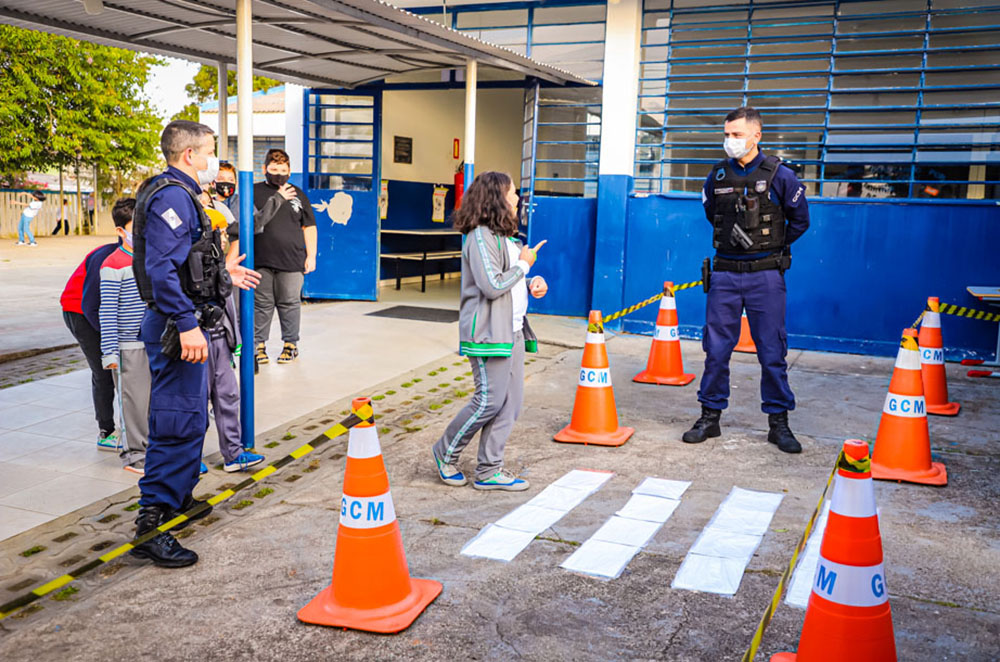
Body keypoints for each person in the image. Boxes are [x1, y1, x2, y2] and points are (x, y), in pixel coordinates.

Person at [129, 120, 260, 567]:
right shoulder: (171, 196)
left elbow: (192, 267)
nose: (213, 163)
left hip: (188, 323)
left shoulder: (183, 194)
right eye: (208, 153)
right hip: (175, 330)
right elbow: (162, 270)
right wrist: (186, 324)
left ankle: (178, 501)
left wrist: (227, 278)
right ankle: (153, 524)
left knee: (189, 421)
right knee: (175, 422)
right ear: (189, 155)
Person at [683, 106, 810, 453]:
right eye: (727, 135)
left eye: (737, 135)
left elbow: (799, 220)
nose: (730, 141)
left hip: (765, 275)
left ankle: (778, 423)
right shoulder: (718, 176)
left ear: (756, 136)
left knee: (772, 351)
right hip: (724, 273)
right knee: (716, 350)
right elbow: (713, 215)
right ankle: (710, 417)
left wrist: (769, 248)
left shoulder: (781, 176)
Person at [431, 171, 548, 491]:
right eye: (511, 193)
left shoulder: (505, 238)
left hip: (512, 332)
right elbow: (493, 285)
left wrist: (530, 282)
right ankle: (445, 453)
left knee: (510, 404)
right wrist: (524, 265)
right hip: (487, 332)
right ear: (496, 197)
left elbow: (508, 280)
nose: (516, 199)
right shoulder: (479, 236)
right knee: (489, 401)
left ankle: (489, 470)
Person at [227, 148, 316, 366]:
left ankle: (290, 344)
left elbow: (309, 226)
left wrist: (311, 255)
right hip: (260, 260)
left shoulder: (298, 194)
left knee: (290, 302)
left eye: (283, 170)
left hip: (292, 260)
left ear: (289, 170)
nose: (279, 173)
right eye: (274, 169)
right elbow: (249, 224)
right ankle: (258, 346)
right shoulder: (252, 191)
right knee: (261, 303)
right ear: (264, 169)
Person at [201, 201, 266, 473]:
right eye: (219, 232)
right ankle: (190, 460)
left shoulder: (220, 267)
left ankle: (233, 454)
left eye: (226, 233)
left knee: (228, 396)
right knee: (195, 404)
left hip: (221, 343)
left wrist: (236, 344)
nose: (224, 237)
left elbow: (230, 311)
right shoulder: (192, 268)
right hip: (199, 342)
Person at [98, 198, 149, 475]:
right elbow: (106, 310)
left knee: (149, 402)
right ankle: (134, 455)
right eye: (136, 227)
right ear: (121, 231)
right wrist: (110, 352)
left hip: (151, 342)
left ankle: (150, 449)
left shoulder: (149, 258)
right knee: (132, 403)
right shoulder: (113, 264)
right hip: (127, 347)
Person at [61, 236, 120, 450]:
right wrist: (110, 337)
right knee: (104, 369)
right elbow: (89, 305)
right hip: (79, 311)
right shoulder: (106, 255)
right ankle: (106, 431)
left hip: (100, 312)